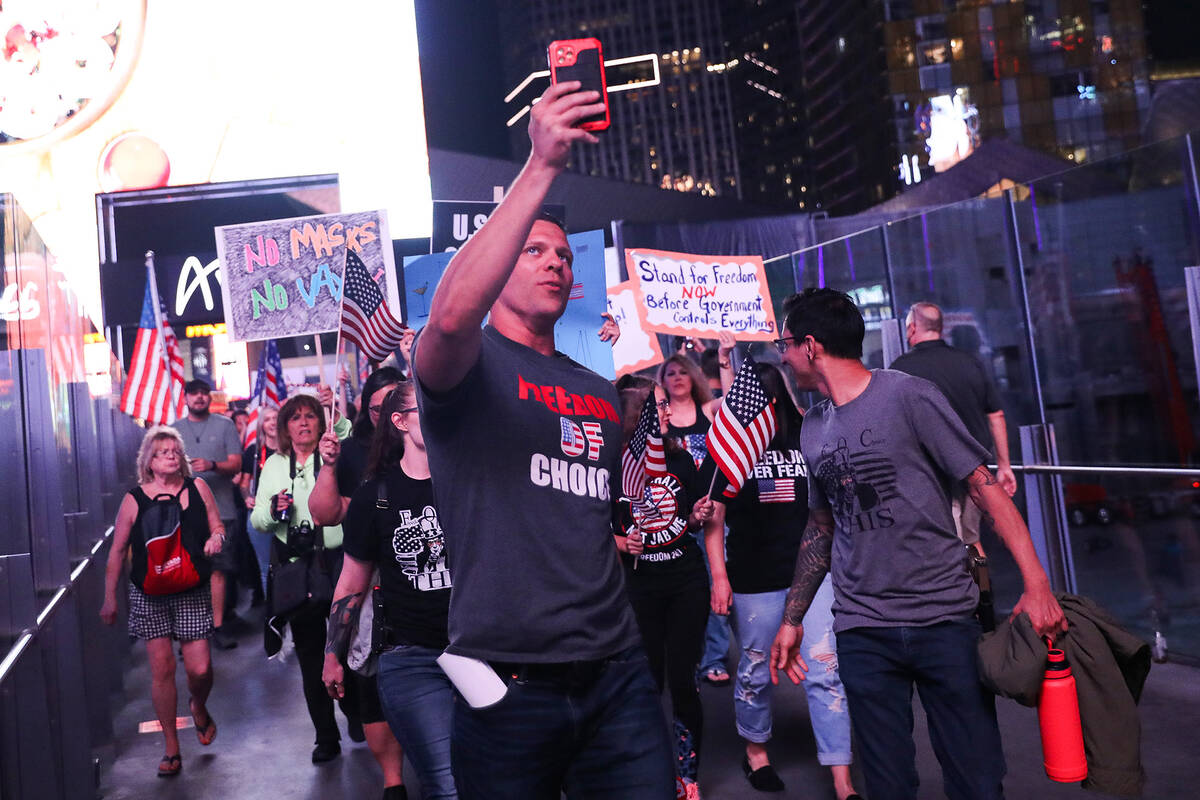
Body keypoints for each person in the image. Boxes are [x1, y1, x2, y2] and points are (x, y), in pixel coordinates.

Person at [412, 80, 675, 799]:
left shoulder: (594, 389)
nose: (556, 261)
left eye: (561, 254)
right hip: (508, 683)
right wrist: (542, 166)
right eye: (533, 251)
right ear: (497, 269)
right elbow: (451, 317)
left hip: (616, 670)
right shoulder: (467, 365)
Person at [770, 288, 1068, 800]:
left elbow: (983, 485)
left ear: (812, 346)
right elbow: (822, 527)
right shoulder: (813, 427)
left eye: (787, 343)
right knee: (887, 784)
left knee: (975, 778)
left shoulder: (909, 395)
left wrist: (1038, 582)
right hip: (863, 628)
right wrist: (793, 619)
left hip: (944, 617)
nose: (783, 354)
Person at [705, 362, 860, 798]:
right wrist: (718, 576)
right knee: (755, 669)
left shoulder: (808, 438)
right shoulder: (732, 447)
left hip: (810, 576)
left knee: (825, 671)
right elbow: (713, 517)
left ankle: (842, 780)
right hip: (753, 579)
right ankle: (756, 753)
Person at [322, 382, 452, 800]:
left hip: (480, 647)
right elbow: (351, 582)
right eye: (423, 407)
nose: (435, 413)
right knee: (446, 783)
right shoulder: (374, 497)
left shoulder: (466, 482)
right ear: (399, 422)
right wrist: (332, 655)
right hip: (413, 658)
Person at [99, 426, 225, 778]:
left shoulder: (197, 488)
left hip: (191, 589)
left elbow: (218, 526)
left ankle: (198, 705)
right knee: (163, 670)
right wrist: (109, 597)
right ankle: (171, 746)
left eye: (174, 450)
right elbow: (118, 550)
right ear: (148, 462)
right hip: (150, 593)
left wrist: (217, 539)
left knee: (200, 669)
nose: (170, 455)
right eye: (161, 452)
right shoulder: (134, 499)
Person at [309, 367, 409, 800]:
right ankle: (393, 781)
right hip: (368, 581)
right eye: (377, 408)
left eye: (397, 407)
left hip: (427, 578)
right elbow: (325, 512)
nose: (388, 417)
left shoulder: (430, 440)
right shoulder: (352, 452)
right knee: (367, 679)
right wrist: (329, 466)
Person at [616, 383, 714, 796]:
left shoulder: (680, 460)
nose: (668, 411)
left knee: (683, 681)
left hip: (686, 582)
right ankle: (650, 772)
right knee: (646, 682)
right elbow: (590, 527)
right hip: (639, 588)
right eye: (659, 406)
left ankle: (688, 777)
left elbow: (692, 522)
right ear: (638, 413)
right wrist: (622, 542)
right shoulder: (613, 464)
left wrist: (696, 514)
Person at [250, 393, 358, 764]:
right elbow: (259, 520)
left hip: (342, 564)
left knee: (350, 648)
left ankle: (357, 713)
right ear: (285, 427)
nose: (303, 423)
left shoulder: (334, 451)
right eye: (294, 417)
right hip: (298, 570)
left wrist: (335, 410)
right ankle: (326, 737)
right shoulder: (274, 465)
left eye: (311, 415)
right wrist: (274, 510)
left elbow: (346, 430)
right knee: (312, 658)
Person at [889, 301, 1018, 555]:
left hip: (930, 476)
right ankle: (981, 593)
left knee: (944, 547)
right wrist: (1004, 467)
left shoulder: (900, 371)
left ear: (912, 328)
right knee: (971, 541)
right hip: (974, 471)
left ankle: (961, 595)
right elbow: (996, 415)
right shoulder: (970, 363)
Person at [657, 353, 730, 687]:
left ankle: (714, 658)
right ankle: (686, 657)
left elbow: (735, 405)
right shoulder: (660, 418)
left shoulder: (707, 411)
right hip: (671, 519)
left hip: (711, 513)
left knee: (717, 583)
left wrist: (725, 359)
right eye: (670, 372)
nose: (677, 377)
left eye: (683, 371)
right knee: (684, 591)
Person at [172, 379, 244, 650]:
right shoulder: (174, 430)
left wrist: (212, 465)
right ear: (186, 397)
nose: (199, 398)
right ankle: (189, 631)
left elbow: (236, 464)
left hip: (222, 508)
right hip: (183, 513)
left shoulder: (225, 425)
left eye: (203, 393)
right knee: (185, 571)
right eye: (194, 393)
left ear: (209, 397)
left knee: (218, 570)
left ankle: (217, 626)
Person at [240, 406, 279, 589]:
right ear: (261, 425)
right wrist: (247, 496)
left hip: (287, 511)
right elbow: (244, 483)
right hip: (261, 511)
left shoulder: (291, 448)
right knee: (266, 567)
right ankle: (272, 614)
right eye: (267, 419)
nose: (272, 422)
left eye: (275, 418)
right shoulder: (254, 452)